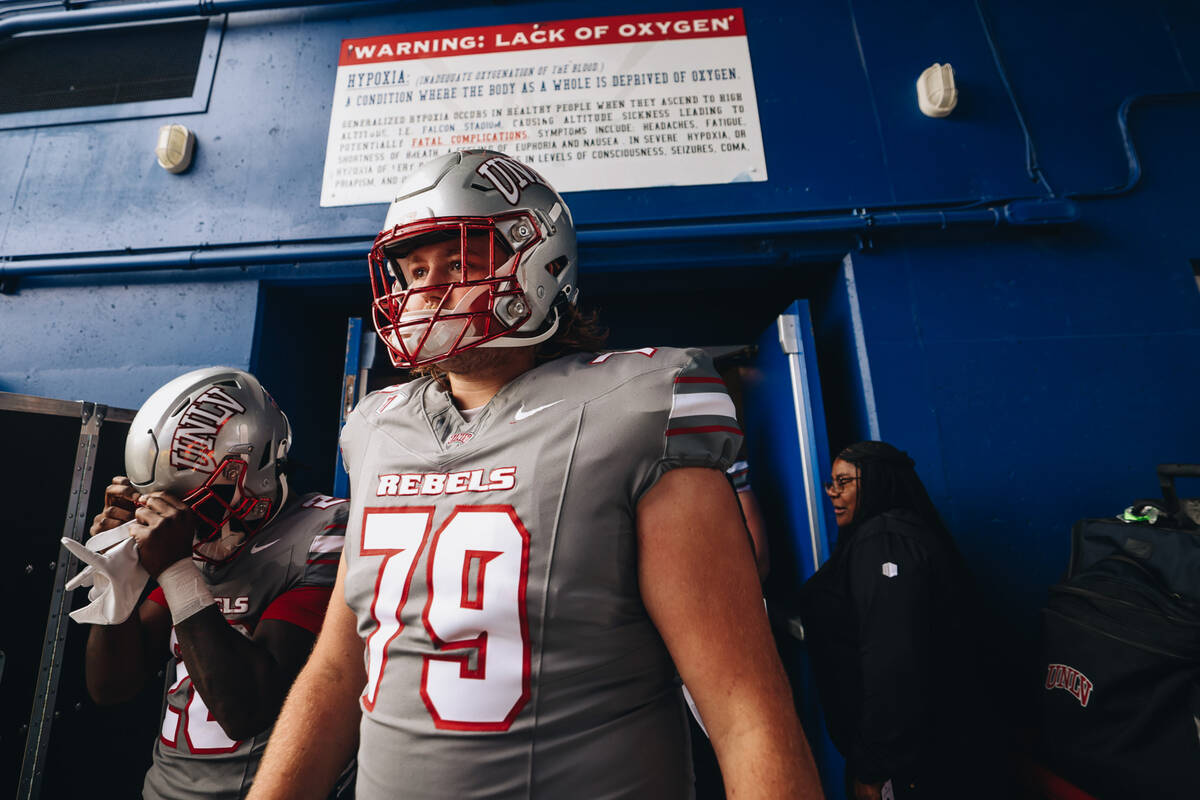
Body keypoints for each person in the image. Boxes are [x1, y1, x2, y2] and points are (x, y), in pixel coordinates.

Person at [248, 149, 824, 800]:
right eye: (412, 271)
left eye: (458, 262)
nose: (424, 290)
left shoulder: (634, 405)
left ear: (540, 265)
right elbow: (335, 669)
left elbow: (744, 708)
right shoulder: (378, 428)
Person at [69, 367, 349, 800]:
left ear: (256, 467)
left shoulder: (328, 530)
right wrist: (117, 583)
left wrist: (176, 569)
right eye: (163, 507)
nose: (185, 526)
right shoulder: (200, 545)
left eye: (196, 506)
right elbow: (110, 687)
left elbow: (247, 710)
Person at [797, 441, 987, 800]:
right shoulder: (879, 539)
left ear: (878, 482)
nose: (832, 494)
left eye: (844, 482)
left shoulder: (886, 542)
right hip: (901, 756)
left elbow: (893, 663)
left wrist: (874, 767)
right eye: (831, 483)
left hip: (907, 766)